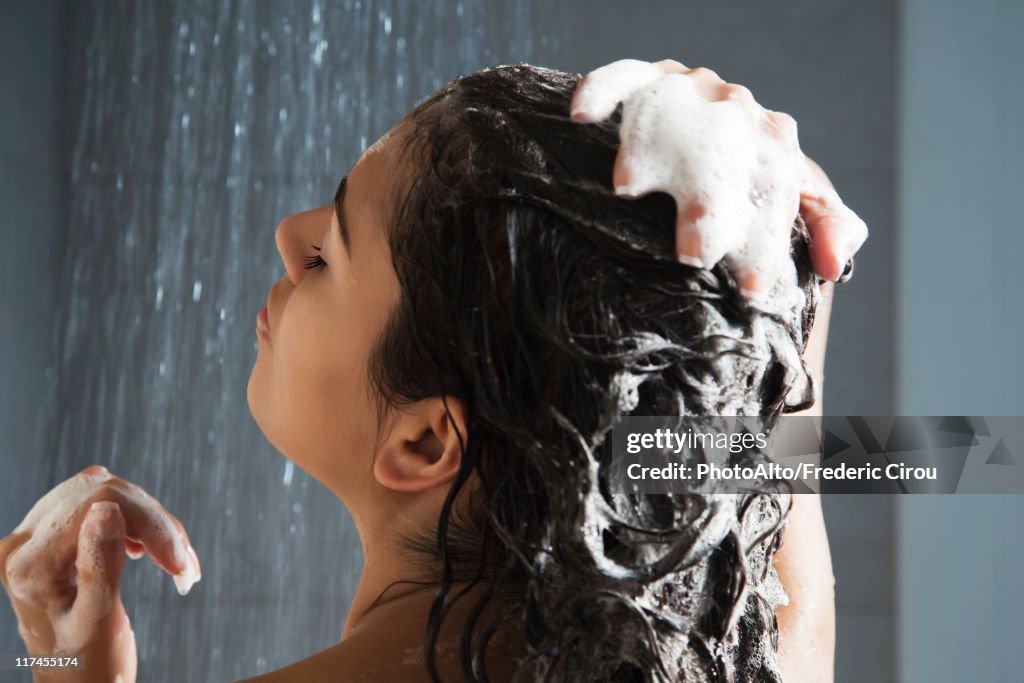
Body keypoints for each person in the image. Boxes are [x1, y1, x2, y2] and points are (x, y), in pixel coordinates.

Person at [0, 62, 859, 682]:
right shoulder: (755, 649)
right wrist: (780, 246)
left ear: (422, 439)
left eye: (331, 255)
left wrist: (63, 662)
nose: (289, 236)